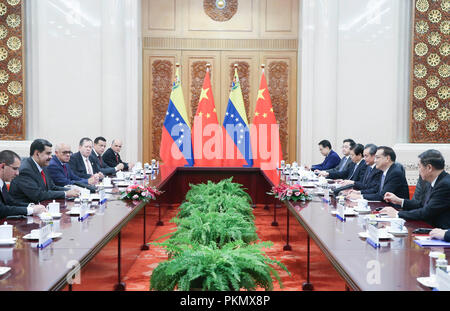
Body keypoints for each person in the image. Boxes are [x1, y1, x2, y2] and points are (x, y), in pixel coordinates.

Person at [381, 149, 450, 228]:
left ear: (429, 168)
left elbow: (426, 212)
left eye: (419, 167)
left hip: (440, 232)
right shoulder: (436, 180)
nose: (419, 170)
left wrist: (397, 214)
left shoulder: (444, 185)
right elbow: (422, 204)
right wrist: (399, 201)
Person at [9, 139, 80, 204]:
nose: (51, 157)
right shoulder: (25, 170)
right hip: (24, 212)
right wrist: (66, 193)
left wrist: (71, 189)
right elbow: (38, 195)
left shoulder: (43, 165)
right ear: (37, 154)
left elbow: (52, 187)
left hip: (41, 207)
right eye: (48, 153)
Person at [0, 150, 47, 218]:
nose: (17, 173)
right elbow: (2, 210)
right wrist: (31, 210)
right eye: (15, 168)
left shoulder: (2, 182)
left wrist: (30, 206)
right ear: (2, 166)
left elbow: (10, 202)